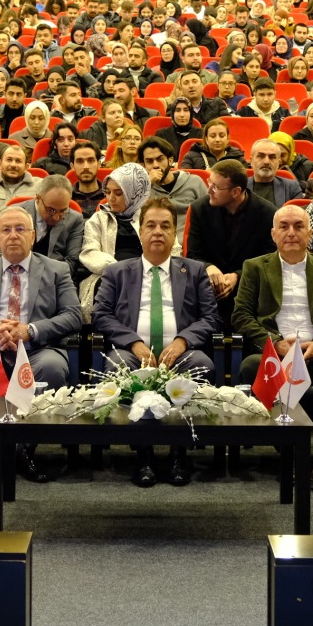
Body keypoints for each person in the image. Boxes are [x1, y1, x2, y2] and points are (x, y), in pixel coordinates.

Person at [234, 204, 313, 500]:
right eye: (284, 227)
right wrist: (275, 342)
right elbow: (241, 315)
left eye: (298, 226)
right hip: (275, 354)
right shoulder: (255, 267)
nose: (291, 233)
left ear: (310, 232)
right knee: (251, 366)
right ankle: (290, 452)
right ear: (273, 234)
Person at [0, 206, 83, 484]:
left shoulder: (57, 270)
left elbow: (73, 315)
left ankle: (25, 449)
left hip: (37, 349)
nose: (13, 236)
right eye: (6, 230)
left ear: (33, 236)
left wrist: (30, 331)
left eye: (20, 229)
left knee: (52, 368)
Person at [91, 196, 220, 487]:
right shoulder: (116, 272)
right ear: (140, 230)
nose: (158, 231)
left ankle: (179, 453)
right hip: (132, 352)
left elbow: (210, 318)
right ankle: (143, 453)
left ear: (174, 233)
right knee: (119, 365)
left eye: (165, 226)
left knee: (201, 364)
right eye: (151, 225)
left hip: (182, 354)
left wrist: (182, 341)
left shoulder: (195, 270)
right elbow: (101, 316)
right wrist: (135, 343)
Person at [186, 158, 277, 318]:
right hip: (208, 289)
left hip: (252, 291)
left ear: (235, 192)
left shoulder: (268, 213)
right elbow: (193, 254)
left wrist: (238, 276)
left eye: (215, 187)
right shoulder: (200, 208)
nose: (209, 190)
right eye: (209, 183)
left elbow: (269, 260)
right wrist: (208, 267)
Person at [78, 162, 149, 304]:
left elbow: (172, 249)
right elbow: (89, 252)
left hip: (148, 274)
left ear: (134, 193)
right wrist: (120, 270)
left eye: (118, 193)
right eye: (108, 192)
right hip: (108, 275)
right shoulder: (98, 218)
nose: (111, 198)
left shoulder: (150, 217)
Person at [138, 137, 204, 238]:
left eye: (160, 159)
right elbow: (132, 216)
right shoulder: (142, 190)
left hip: (190, 244)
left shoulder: (194, 182)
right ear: (143, 165)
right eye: (150, 161)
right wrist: (148, 184)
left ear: (170, 160)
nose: (156, 165)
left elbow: (211, 214)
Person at [16, 175, 83, 265]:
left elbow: (72, 262)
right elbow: (1, 257)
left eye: (63, 211)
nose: (56, 217)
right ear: (38, 199)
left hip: (56, 275)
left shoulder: (75, 219)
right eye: (51, 210)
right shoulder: (15, 215)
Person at [246, 138, 303, 208]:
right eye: (261, 156)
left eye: (272, 157)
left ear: (279, 163)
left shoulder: (291, 188)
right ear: (251, 161)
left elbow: (295, 217)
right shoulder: (240, 187)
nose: (266, 162)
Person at [70, 142, 106, 216]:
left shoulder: (110, 197)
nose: (86, 166)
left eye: (90, 160)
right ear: (72, 166)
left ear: (99, 164)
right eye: (80, 161)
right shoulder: (67, 199)